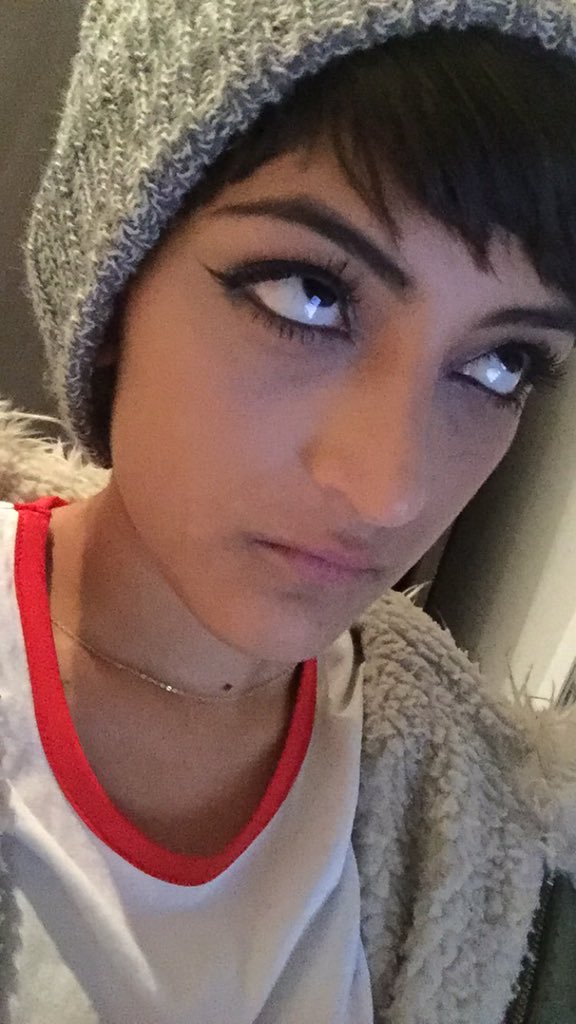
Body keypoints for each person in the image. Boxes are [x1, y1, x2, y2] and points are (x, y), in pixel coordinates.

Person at [1, 0, 576, 1021]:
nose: (392, 487)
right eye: (307, 294)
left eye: (501, 362)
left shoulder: (486, 831)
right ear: (113, 285)